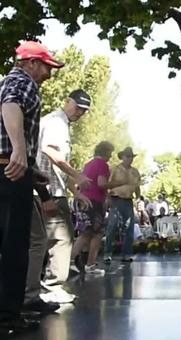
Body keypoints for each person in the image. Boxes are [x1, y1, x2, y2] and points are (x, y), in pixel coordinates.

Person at [1, 41, 64, 333]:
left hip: (10, 166)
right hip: (11, 171)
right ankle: (8, 316)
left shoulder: (9, 80)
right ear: (31, 63)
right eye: (47, 67)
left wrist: (30, 165)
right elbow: (10, 105)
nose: (49, 74)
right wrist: (18, 150)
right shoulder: (21, 82)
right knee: (15, 245)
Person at [36, 88, 93, 305]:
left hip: (49, 189)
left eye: (84, 110)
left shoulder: (57, 123)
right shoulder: (56, 123)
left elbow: (57, 167)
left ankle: (35, 290)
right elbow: (51, 152)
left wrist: (75, 191)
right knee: (61, 239)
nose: (80, 113)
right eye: (78, 107)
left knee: (41, 242)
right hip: (47, 191)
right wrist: (77, 175)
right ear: (67, 101)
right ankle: (52, 287)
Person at [70, 141, 118, 275]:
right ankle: (84, 263)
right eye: (110, 153)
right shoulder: (102, 165)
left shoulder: (88, 164)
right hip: (94, 202)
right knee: (94, 233)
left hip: (84, 200)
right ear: (106, 153)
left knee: (87, 232)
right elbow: (102, 184)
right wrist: (116, 184)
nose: (110, 157)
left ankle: (78, 261)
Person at [104, 147, 142, 263]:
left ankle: (127, 253)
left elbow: (137, 186)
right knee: (112, 226)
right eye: (128, 157)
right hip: (116, 198)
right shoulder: (115, 169)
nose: (130, 159)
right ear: (123, 157)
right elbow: (107, 184)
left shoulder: (135, 171)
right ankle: (108, 253)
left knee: (129, 227)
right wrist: (108, 198)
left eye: (131, 157)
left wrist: (139, 198)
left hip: (128, 200)